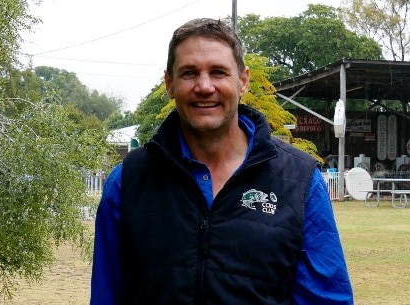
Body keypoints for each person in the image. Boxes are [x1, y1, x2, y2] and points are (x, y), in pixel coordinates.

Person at [90, 18, 353, 305]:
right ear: (169, 83)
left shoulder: (300, 182)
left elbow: (326, 300)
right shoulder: (127, 182)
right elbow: (107, 296)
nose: (204, 86)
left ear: (242, 81)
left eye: (218, 72)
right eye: (189, 73)